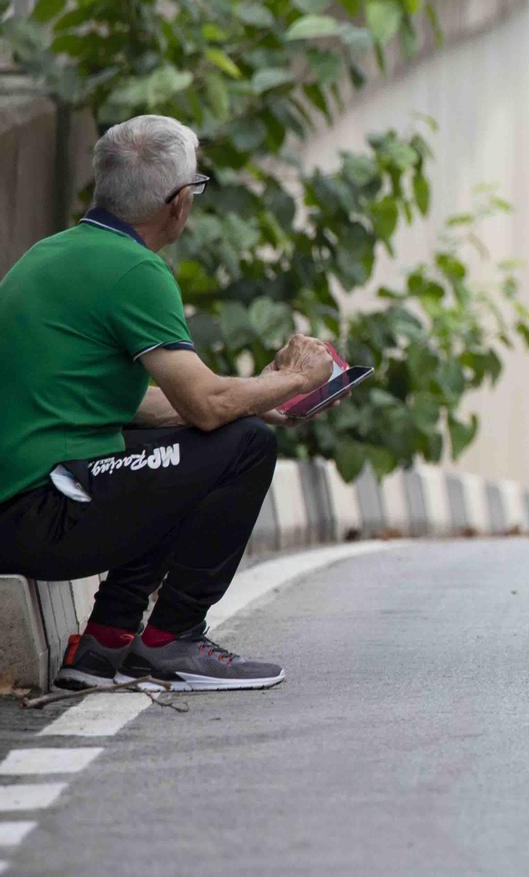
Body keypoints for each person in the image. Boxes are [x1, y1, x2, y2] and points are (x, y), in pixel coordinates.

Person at [0, 115, 338, 691]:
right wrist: (296, 378)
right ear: (179, 203)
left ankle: (104, 643)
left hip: (28, 505)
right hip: (46, 513)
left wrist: (252, 400)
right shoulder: (135, 269)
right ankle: (171, 640)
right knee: (246, 446)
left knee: (200, 444)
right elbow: (205, 406)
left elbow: (135, 408)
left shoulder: (47, 255)